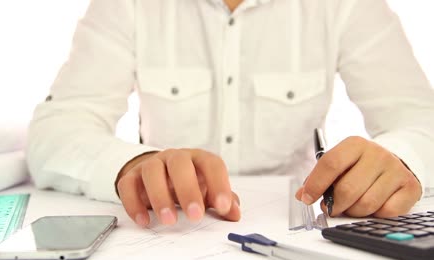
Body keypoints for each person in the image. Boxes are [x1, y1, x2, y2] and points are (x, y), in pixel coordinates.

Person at [27, 0, 434, 227]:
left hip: (300, 228)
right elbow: (56, 129)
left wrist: (400, 161)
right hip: (171, 232)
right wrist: (132, 164)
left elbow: (421, 119)